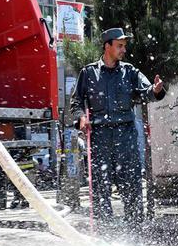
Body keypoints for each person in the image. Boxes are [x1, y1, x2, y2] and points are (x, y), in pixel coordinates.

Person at [70, 27, 165, 231]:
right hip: (100, 140)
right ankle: (106, 237)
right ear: (107, 46)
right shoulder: (88, 73)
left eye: (124, 46)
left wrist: (156, 90)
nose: (123, 50)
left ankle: (135, 235)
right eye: (119, 46)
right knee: (101, 190)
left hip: (126, 138)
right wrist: (81, 117)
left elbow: (146, 91)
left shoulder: (130, 72)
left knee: (132, 188)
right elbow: (76, 102)